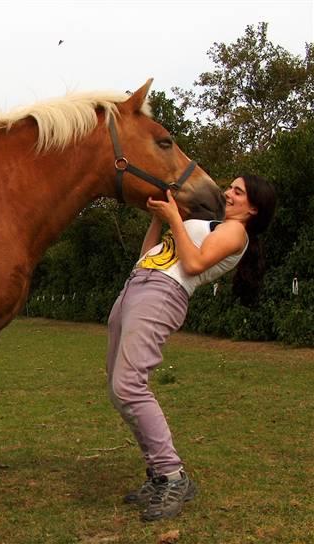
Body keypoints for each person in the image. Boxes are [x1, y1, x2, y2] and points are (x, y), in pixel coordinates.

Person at [106, 174, 276, 522]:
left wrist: (174, 220)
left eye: (238, 191)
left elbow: (194, 264)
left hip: (162, 293)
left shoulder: (235, 232)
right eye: (231, 187)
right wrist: (159, 219)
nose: (228, 192)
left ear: (254, 208)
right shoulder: (207, 224)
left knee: (129, 386)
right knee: (118, 387)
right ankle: (158, 474)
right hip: (140, 282)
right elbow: (150, 255)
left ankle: (172, 477)